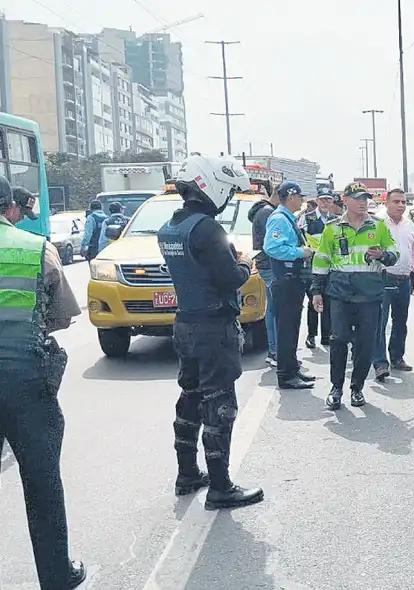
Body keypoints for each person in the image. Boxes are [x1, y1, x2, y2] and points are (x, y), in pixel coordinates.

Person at [156, 153, 264, 511]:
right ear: (212, 186)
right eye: (228, 191)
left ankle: (187, 473)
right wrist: (244, 264)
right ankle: (220, 487)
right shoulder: (207, 228)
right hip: (213, 327)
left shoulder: (170, 227)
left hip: (186, 323)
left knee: (190, 396)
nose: (229, 198)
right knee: (219, 404)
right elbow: (230, 278)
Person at [0, 177, 87, 589]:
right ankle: (56, 577)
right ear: (10, 208)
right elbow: (63, 315)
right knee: (42, 484)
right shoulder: (36, 248)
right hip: (25, 381)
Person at [312, 182, 398, 410]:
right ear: (345, 200)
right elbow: (321, 260)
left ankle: (357, 387)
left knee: (365, 344)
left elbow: (394, 254)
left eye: (365, 198)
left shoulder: (378, 226)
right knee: (338, 340)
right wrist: (316, 291)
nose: (362, 202)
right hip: (340, 294)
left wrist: (382, 255)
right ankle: (336, 388)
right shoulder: (332, 229)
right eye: (358, 198)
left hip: (369, 295)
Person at [263, 180, 317, 390]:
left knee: (292, 327)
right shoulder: (279, 219)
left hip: (292, 279)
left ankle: (292, 369)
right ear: (291, 197)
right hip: (285, 279)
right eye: (299, 197)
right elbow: (272, 247)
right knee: (286, 329)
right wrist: (300, 252)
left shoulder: (287, 218)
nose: (302, 200)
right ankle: (286, 375)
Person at [373, 188, 414, 380]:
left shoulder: (409, 224)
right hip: (383, 278)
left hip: (404, 279)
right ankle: (380, 363)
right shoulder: (377, 223)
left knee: (400, 321)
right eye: (396, 202)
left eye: (403, 202)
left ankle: (397, 357)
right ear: (386, 203)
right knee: (380, 321)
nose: (401, 205)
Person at [247, 186, 280, 365]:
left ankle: (275, 350)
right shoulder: (267, 213)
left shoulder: (265, 211)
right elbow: (274, 244)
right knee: (275, 309)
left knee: (273, 308)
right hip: (269, 264)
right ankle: (275, 351)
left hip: (267, 264)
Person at [303, 190, 337, 348]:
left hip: (330, 266)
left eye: (328, 200)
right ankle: (311, 335)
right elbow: (300, 238)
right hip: (312, 265)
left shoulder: (335, 220)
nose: (325, 203)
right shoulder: (307, 218)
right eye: (322, 200)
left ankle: (326, 335)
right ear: (317, 201)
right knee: (313, 301)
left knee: (328, 301)